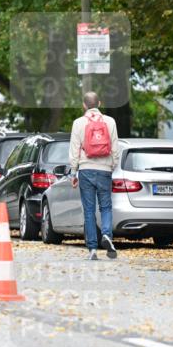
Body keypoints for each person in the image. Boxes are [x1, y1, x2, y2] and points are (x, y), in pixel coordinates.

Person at [68, 91, 120, 260]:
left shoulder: (78, 123)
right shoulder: (110, 121)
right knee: (106, 207)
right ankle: (106, 235)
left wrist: (73, 172)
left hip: (86, 170)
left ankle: (92, 249)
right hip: (104, 170)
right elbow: (115, 147)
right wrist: (112, 165)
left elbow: (74, 149)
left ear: (84, 105)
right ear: (99, 104)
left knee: (89, 210)